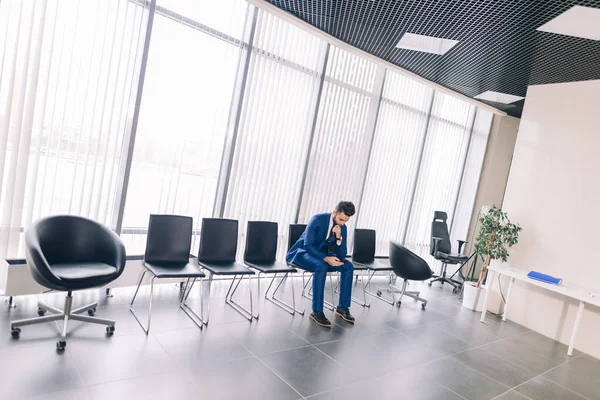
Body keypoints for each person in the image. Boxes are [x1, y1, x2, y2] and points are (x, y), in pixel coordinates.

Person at [286, 201, 356, 327]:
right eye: (340, 219)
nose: (342, 223)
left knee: (348, 266)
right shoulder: (317, 219)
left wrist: (339, 238)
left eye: (345, 221)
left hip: (323, 256)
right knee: (321, 265)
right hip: (302, 253)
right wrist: (325, 258)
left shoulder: (342, 228)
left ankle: (343, 308)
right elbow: (308, 245)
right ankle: (317, 312)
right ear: (334, 212)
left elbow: (341, 256)